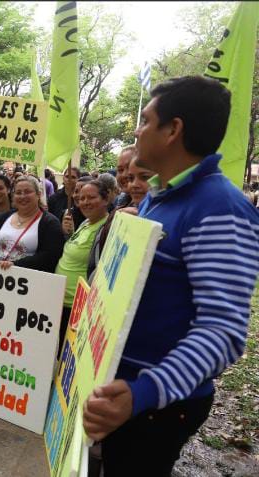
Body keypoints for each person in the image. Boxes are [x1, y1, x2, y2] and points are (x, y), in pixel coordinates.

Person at [82, 76, 259, 477]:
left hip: (155, 407)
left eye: (145, 120)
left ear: (173, 130)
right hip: (123, 392)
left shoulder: (220, 209)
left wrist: (142, 392)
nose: (137, 131)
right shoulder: (159, 199)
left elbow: (224, 333)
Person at [54, 179, 110, 348]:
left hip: (77, 305)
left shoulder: (106, 228)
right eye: (82, 198)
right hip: (61, 300)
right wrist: (68, 234)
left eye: (91, 197)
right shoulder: (86, 223)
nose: (85, 202)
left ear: (106, 199)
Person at [0, 175, 64, 273]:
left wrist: (15, 265)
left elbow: (51, 256)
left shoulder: (50, 223)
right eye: (18, 193)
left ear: (38, 194)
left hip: (26, 278)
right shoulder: (4, 217)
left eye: (27, 192)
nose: (23, 196)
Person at [87, 157, 154, 280]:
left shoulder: (154, 217)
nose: (134, 184)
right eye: (131, 177)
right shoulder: (120, 210)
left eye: (144, 177)